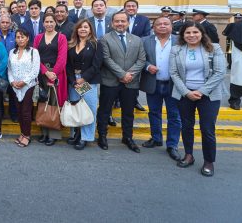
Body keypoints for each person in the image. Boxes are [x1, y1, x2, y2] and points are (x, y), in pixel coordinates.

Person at [170, 22, 227, 177]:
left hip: (209, 95)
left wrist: (201, 91)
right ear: (183, 35)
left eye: (195, 32)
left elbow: (220, 72)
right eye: (188, 33)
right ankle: (189, 155)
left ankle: (209, 161)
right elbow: (173, 73)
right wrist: (187, 92)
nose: (191, 35)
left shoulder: (214, 48)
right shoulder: (177, 50)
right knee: (187, 126)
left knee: (207, 129)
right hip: (184, 94)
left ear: (202, 33)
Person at [97, 12, 146, 153]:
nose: (120, 24)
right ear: (112, 23)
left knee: (128, 112)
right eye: (117, 21)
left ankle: (128, 137)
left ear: (128, 23)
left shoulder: (137, 40)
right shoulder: (105, 39)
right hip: (110, 81)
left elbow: (141, 60)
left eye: (123, 21)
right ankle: (102, 136)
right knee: (105, 110)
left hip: (130, 82)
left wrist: (129, 75)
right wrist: (122, 74)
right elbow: (106, 59)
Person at [139, 17, 182, 161]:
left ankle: (172, 145)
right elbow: (140, 58)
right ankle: (156, 138)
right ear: (153, 27)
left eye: (166, 24)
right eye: (159, 24)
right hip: (154, 83)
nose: (162, 26)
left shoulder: (180, 40)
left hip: (173, 84)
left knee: (174, 115)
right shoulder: (145, 41)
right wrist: (147, 66)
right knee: (154, 112)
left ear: (171, 26)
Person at [65, 19, 102, 150]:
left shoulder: (96, 44)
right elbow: (68, 65)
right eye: (80, 27)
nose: (83, 29)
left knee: (88, 109)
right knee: (76, 108)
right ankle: (76, 134)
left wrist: (83, 78)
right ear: (76, 30)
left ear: (90, 30)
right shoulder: (71, 45)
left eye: (86, 27)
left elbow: (97, 65)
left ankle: (86, 137)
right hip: (74, 81)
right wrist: (73, 81)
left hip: (88, 82)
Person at [33, 13, 68, 145]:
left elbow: (62, 58)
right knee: (42, 102)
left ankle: (53, 134)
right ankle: (44, 132)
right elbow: (35, 57)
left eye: (51, 22)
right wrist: (45, 72)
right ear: (43, 23)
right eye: (46, 22)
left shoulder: (62, 37)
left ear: (55, 23)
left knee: (54, 104)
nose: (49, 24)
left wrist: (53, 74)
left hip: (56, 76)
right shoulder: (38, 38)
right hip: (42, 75)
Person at [8, 28, 40, 148]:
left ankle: (27, 136)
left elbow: (35, 71)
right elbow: (9, 69)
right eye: (18, 37)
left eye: (22, 37)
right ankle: (22, 133)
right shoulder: (12, 52)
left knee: (26, 112)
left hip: (28, 86)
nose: (20, 39)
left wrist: (24, 82)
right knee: (19, 111)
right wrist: (12, 82)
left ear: (27, 38)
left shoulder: (33, 52)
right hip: (15, 87)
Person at [0, 15, 18, 121]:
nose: (5, 24)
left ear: (10, 24)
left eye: (7, 23)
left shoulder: (15, 36)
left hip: (12, 69)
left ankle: (13, 114)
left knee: (12, 93)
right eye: (3, 22)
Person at [223, 13, 242, 110]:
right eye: (236, 17)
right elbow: (230, 42)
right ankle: (235, 100)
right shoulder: (235, 26)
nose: (237, 19)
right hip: (240, 55)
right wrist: (229, 56)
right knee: (239, 78)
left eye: (239, 17)